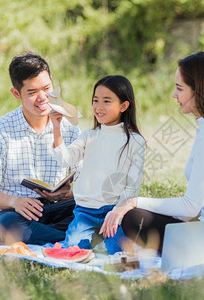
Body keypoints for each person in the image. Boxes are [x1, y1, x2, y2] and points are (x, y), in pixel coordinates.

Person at [100, 51, 204, 253]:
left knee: (133, 218)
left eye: (179, 88)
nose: (174, 95)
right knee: (143, 214)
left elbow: (191, 206)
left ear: (199, 91)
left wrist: (133, 201)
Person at [0, 52, 81, 245]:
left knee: (99, 207)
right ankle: (74, 238)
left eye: (47, 88)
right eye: (32, 92)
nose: (42, 98)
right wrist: (15, 202)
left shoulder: (70, 128)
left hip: (56, 208)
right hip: (13, 212)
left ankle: (55, 235)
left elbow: (88, 184)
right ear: (16, 94)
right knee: (10, 226)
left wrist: (66, 194)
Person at [49, 75, 145, 254]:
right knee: (72, 250)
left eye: (107, 101)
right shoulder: (88, 136)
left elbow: (133, 185)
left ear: (124, 106)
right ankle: (94, 240)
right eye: (95, 100)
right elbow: (65, 159)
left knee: (117, 252)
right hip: (85, 212)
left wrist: (118, 211)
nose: (99, 107)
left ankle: (102, 241)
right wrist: (56, 127)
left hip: (115, 212)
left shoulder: (135, 141)